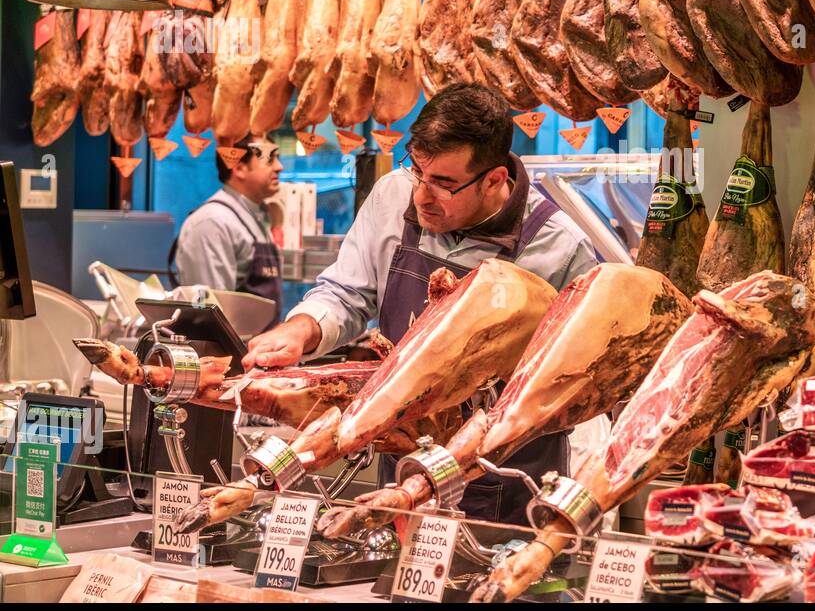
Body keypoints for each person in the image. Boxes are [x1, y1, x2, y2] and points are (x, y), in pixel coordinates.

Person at [244, 83, 600, 525]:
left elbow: (579, 383)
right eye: (418, 172)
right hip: (401, 462)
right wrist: (300, 329)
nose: (421, 195)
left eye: (444, 184)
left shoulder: (558, 246)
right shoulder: (394, 195)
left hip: (504, 478)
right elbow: (347, 293)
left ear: (494, 180)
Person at [172, 136, 284, 323]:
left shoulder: (256, 216)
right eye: (270, 159)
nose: (279, 166)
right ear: (239, 167)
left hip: (259, 347)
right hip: (229, 351)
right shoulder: (213, 223)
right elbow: (210, 316)